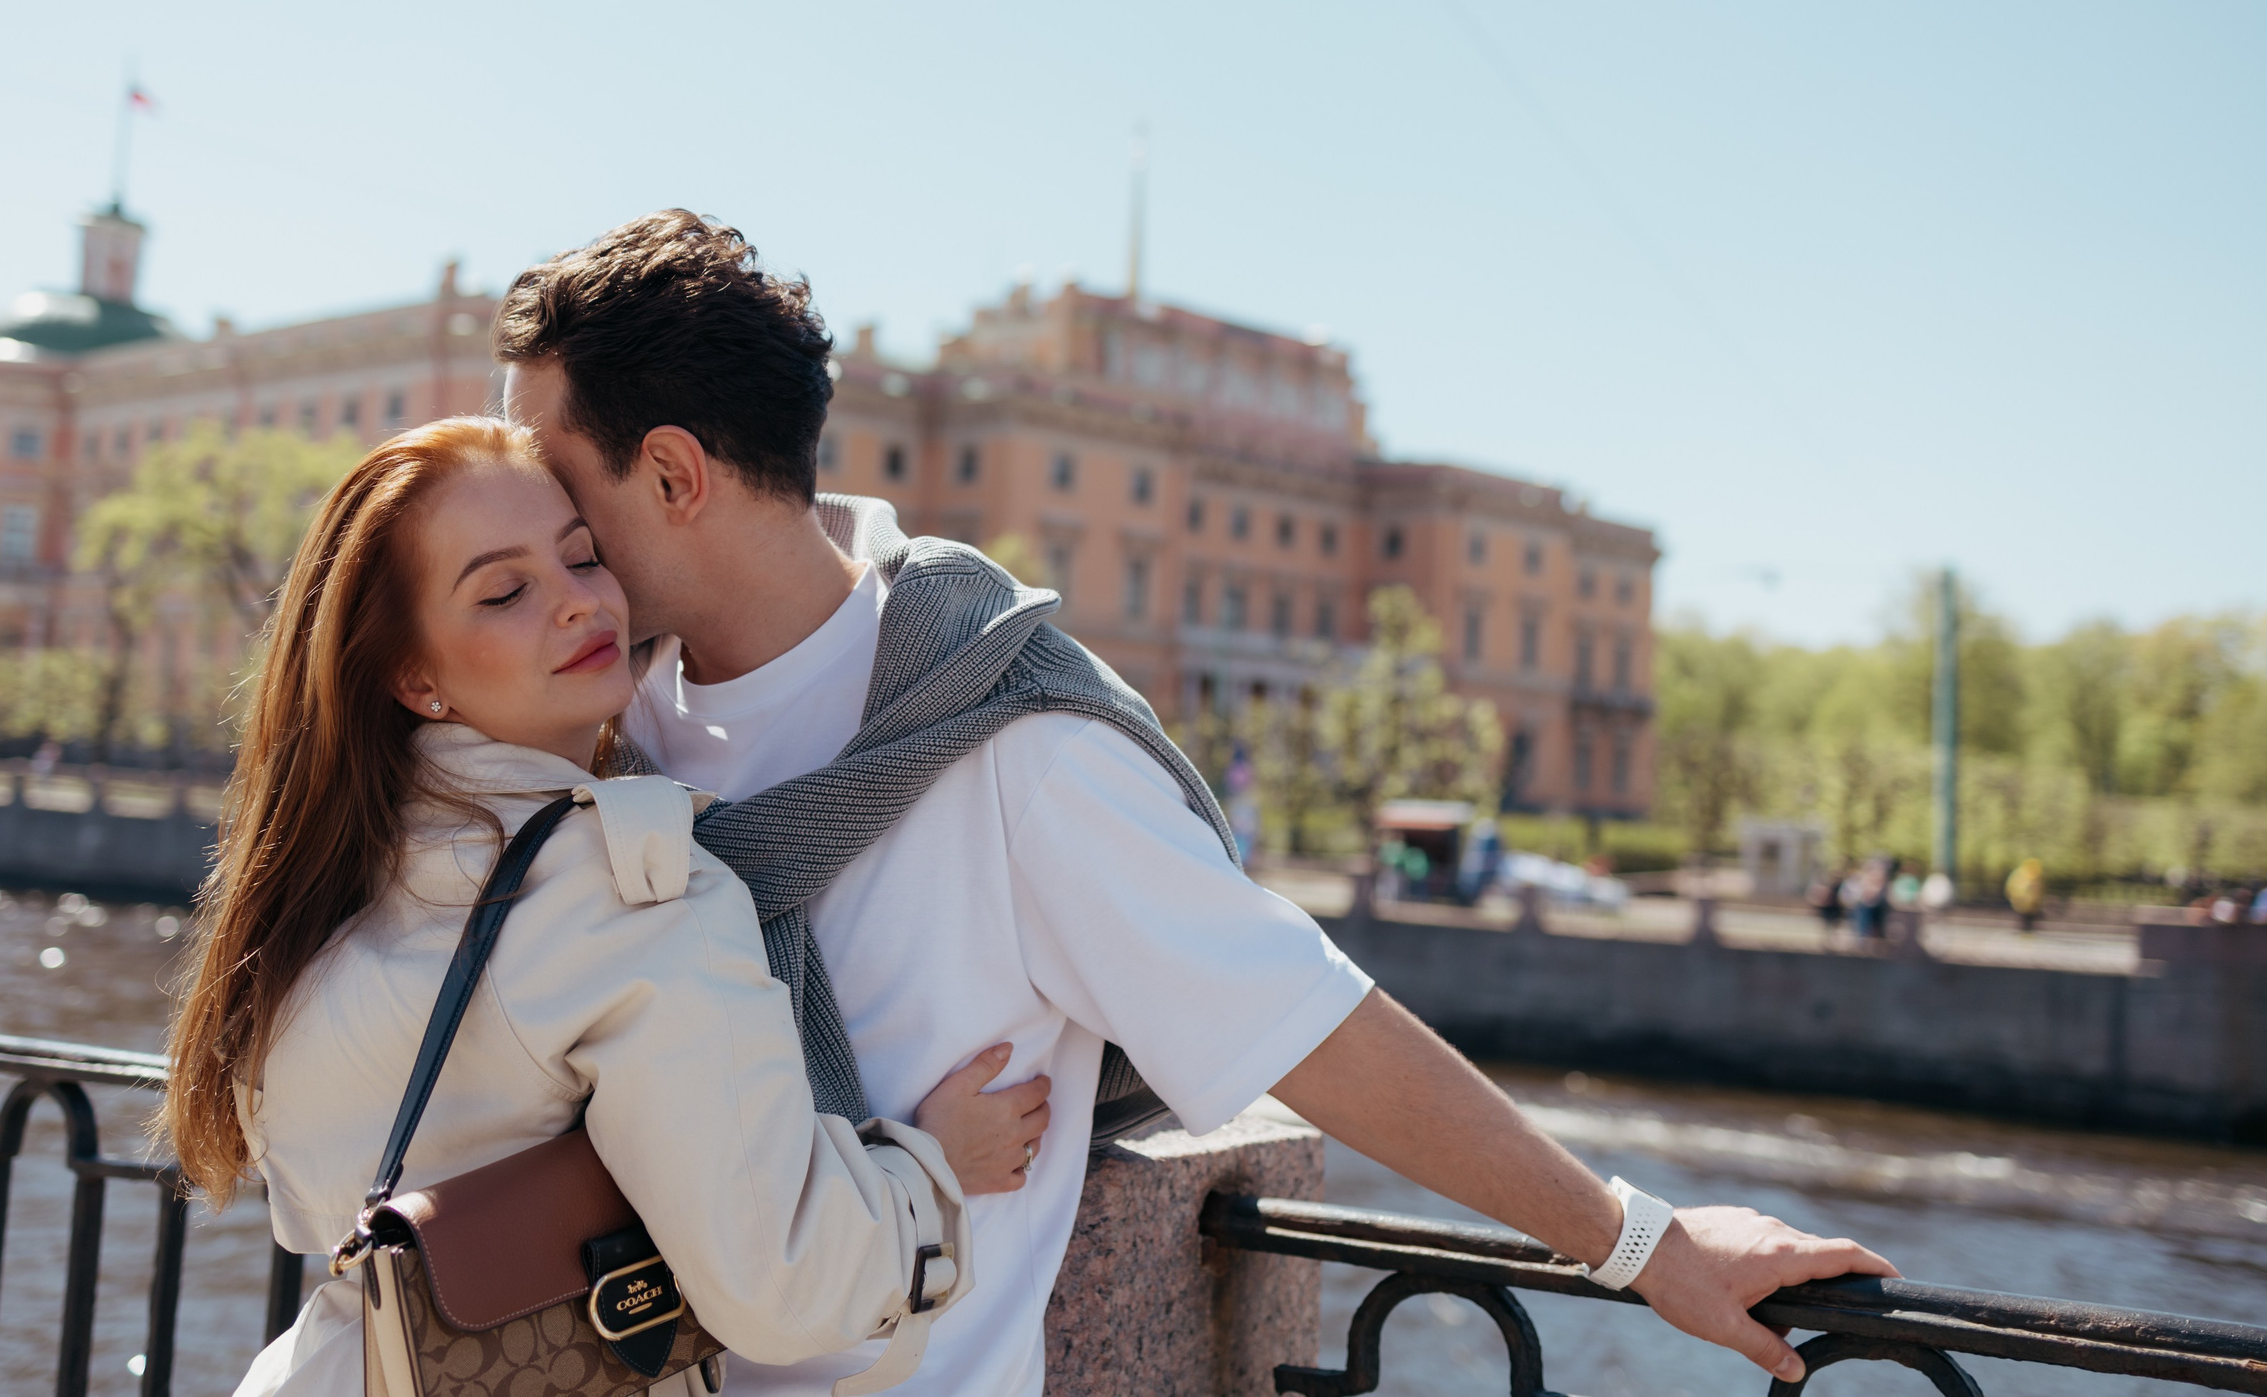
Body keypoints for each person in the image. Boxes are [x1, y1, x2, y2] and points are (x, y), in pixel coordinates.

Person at [498, 210, 1896, 1397]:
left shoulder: (1016, 744)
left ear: (674, 473)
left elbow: (1308, 1019)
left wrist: (1640, 1241)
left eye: (555, 485)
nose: (528, 527)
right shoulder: (592, 718)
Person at [158, 419, 1046, 1395]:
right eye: (505, 592)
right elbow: (783, 1289)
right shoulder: (626, 891)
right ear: (414, 678)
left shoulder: (323, 887)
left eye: (584, 557)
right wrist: (930, 1169)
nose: (579, 603)